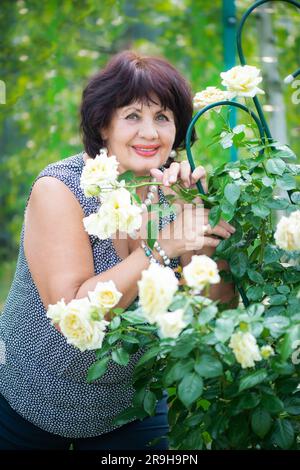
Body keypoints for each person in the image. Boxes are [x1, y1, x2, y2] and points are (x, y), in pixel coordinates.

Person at [0, 50, 237, 450]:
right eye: (133, 116)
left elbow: (215, 312)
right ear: (103, 125)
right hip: (28, 405)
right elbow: (73, 314)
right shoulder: (61, 190)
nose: (150, 133)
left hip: (131, 407)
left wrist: (196, 224)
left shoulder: (177, 193)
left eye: (162, 117)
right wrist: (162, 248)